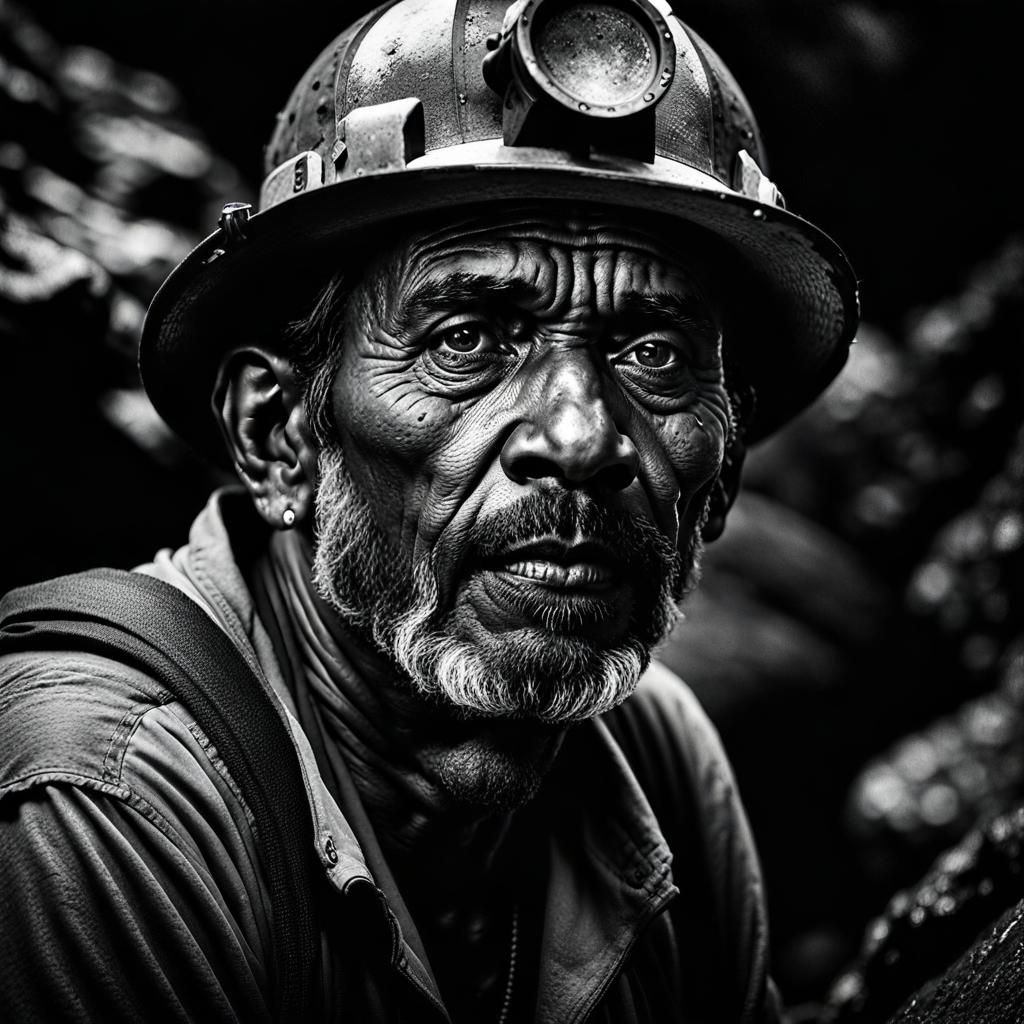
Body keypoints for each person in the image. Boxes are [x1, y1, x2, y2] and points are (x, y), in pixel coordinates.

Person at [0, 1, 858, 1021]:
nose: (580, 439)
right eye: (467, 338)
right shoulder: (102, 796)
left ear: (719, 476)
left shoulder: (657, 764)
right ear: (278, 434)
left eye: (656, 353)